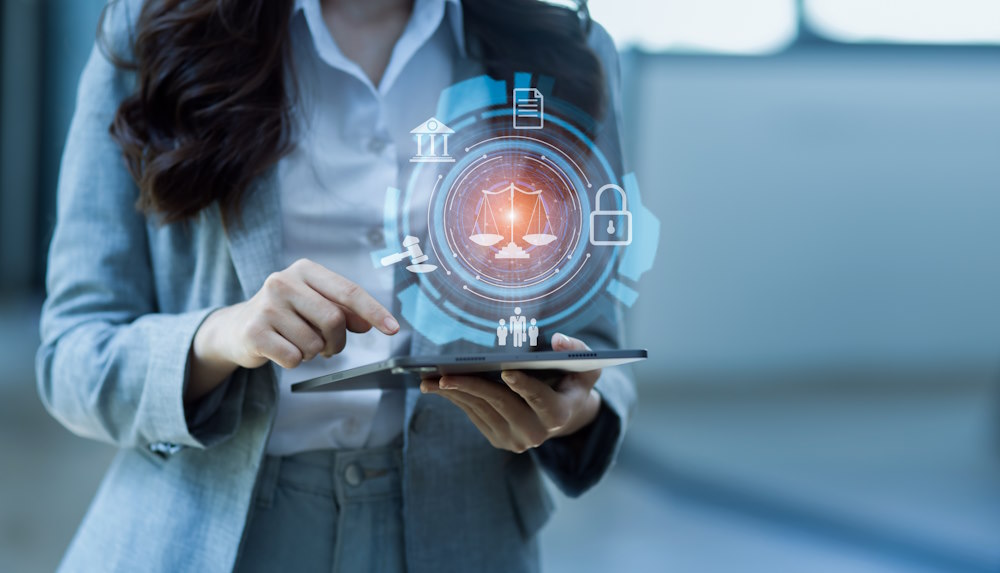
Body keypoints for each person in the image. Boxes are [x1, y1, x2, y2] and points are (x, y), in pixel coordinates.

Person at [36, 0, 633, 572]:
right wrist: (218, 336)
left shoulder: (565, 50)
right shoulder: (147, 30)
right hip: (212, 534)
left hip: (464, 532)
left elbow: (596, 345)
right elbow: (71, 353)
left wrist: (570, 409)